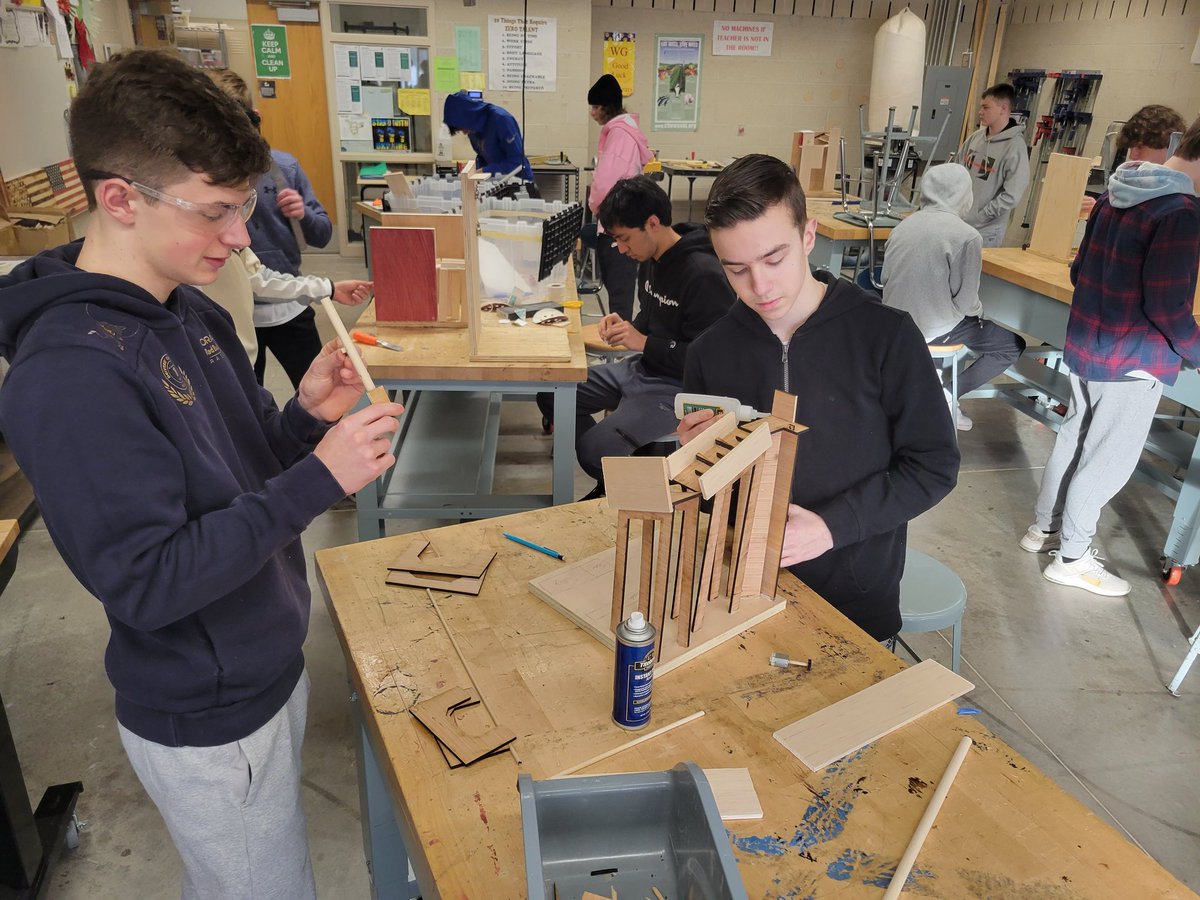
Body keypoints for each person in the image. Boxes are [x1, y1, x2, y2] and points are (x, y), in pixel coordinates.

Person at [0, 50, 405, 898]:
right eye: (216, 211)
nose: (238, 235)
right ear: (119, 197)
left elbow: (246, 470)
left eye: (246, 206)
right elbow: (146, 581)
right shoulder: (70, 377)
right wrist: (320, 479)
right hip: (208, 715)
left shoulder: (184, 307)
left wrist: (305, 419)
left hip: (264, 662)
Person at [679, 154, 960, 642]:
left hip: (858, 601)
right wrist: (693, 461)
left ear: (808, 236)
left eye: (774, 259)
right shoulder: (710, 352)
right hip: (741, 591)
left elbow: (933, 466)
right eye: (737, 270)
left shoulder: (885, 336)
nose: (760, 286)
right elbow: (704, 497)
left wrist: (833, 527)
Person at [1020, 115, 1200, 597]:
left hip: (1087, 345)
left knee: (1074, 441)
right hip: (1134, 360)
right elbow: (1167, 304)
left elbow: (1081, 271)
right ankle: (1073, 557)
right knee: (1105, 460)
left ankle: (1044, 530)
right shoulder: (1180, 210)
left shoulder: (1117, 189)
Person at [537, 176, 734, 497]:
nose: (621, 248)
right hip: (643, 367)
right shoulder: (651, 259)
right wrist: (624, 327)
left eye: (625, 238)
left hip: (678, 386)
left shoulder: (703, 275)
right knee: (552, 395)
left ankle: (632, 481)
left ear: (652, 223)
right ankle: (614, 477)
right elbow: (649, 320)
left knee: (592, 451)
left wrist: (642, 342)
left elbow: (711, 363)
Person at [210, 70, 335, 389]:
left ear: (253, 119)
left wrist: (303, 214)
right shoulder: (196, 183)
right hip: (233, 318)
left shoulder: (283, 169)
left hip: (288, 306)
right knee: (247, 403)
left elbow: (322, 235)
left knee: (319, 394)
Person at [882, 163, 1026, 431]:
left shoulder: (902, 227)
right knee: (1011, 345)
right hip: (931, 328)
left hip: (893, 323)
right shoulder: (966, 236)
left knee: (942, 316)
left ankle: (931, 381)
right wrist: (983, 315)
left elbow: (886, 279)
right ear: (964, 195)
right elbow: (967, 303)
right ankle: (946, 394)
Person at [202, 245, 372, 360]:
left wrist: (329, 288)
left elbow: (258, 280)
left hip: (241, 358)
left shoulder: (234, 243)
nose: (245, 239)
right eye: (215, 214)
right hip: (219, 362)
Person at [587, 73, 653, 321]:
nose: (593, 113)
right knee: (620, 288)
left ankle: (619, 347)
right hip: (621, 220)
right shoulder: (625, 131)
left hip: (617, 223)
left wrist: (594, 207)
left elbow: (605, 181)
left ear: (607, 107)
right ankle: (620, 339)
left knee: (619, 292)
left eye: (596, 107)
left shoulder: (618, 135)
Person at [957, 82, 1031, 247]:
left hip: (985, 232)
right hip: (959, 224)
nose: (980, 112)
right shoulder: (975, 138)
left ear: (1003, 109)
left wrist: (980, 217)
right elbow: (956, 173)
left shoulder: (1015, 147)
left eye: (986, 107)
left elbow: (1011, 196)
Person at [1080, 105, 1187, 218]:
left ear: (1170, 145)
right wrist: (1098, 209)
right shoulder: (1119, 190)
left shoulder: (1179, 209)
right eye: (1131, 148)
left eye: (1141, 147)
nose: (1132, 155)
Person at [442, 90, 537, 195]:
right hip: (498, 184)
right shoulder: (472, 130)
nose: (464, 132)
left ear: (468, 117)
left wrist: (485, 171)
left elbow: (517, 162)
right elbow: (482, 156)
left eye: (463, 127)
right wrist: (476, 171)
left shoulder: (502, 120)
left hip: (520, 185)